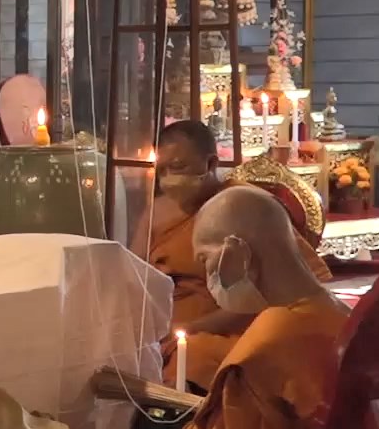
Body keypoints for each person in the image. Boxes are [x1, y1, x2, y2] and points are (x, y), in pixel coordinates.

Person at [4, 186, 349, 429]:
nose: (208, 277)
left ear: (235, 252)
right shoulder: (336, 314)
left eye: (205, 260)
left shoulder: (266, 347)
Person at [138, 119, 328, 392]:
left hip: (229, 328)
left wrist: (190, 328)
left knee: (194, 357)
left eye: (178, 167)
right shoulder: (157, 211)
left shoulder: (242, 206)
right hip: (164, 324)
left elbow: (280, 291)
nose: (168, 179)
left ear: (211, 164)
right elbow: (136, 273)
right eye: (162, 170)